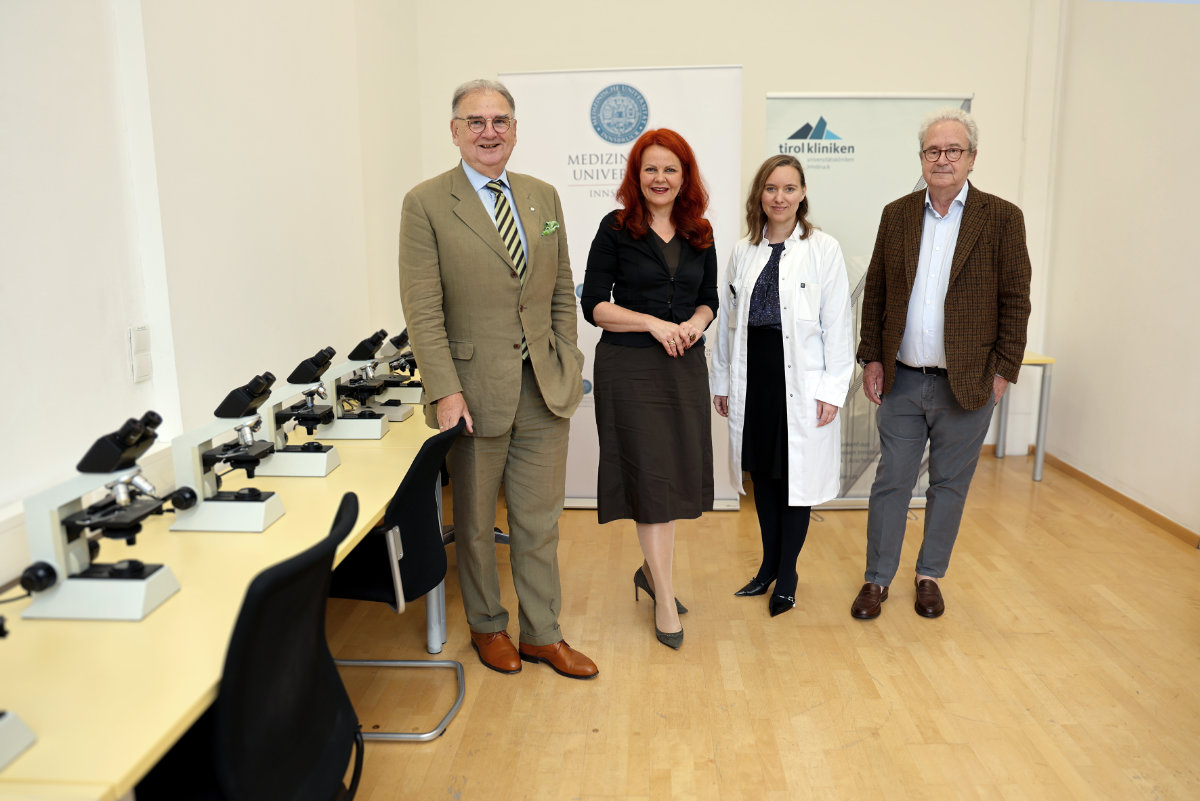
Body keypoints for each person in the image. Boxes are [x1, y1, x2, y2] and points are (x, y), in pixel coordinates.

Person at [398, 79, 597, 679]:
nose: (490, 131)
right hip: (473, 391)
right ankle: (488, 627)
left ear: (515, 129)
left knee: (539, 521)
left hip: (543, 386)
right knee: (479, 524)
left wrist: (566, 353)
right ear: (455, 131)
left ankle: (543, 634)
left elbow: (561, 288)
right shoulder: (426, 202)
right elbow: (422, 308)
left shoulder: (542, 197)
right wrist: (445, 388)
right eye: (476, 121)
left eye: (501, 121)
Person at [852, 107, 1031, 620]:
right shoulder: (897, 214)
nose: (943, 159)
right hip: (903, 378)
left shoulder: (1002, 218)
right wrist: (871, 358)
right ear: (922, 159)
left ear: (972, 158)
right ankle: (876, 580)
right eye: (934, 151)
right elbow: (878, 294)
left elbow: (1016, 300)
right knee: (892, 483)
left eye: (954, 150)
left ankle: (929, 575)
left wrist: (1002, 373)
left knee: (949, 486)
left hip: (969, 384)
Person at [580, 129, 718, 650]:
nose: (660, 178)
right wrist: (653, 324)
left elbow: (709, 299)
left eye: (670, 169)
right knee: (651, 481)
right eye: (650, 169)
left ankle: (651, 573)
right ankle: (663, 594)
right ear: (636, 177)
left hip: (683, 366)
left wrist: (695, 324)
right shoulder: (615, 229)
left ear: (685, 178)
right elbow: (594, 304)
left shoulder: (700, 230)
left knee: (670, 479)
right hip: (631, 368)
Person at [711, 155, 853, 617]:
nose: (780, 197)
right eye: (771, 188)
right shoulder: (743, 250)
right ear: (760, 195)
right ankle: (768, 565)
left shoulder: (823, 248)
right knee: (765, 477)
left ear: (803, 193)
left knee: (797, 482)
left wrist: (832, 390)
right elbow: (727, 325)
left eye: (789, 189)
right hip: (755, 378)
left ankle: (787, 575)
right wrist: (722, 381)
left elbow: (838, 324)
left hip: (803, 381)